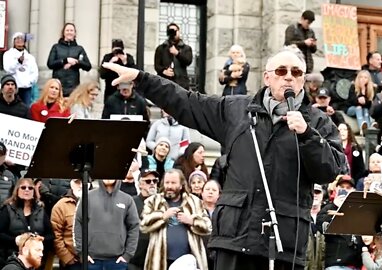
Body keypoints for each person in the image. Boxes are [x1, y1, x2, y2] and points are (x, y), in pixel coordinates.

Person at [102, 49, 345, 270]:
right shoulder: (236, 110)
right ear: (268, 78)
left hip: (284, 244)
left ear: (303, 79)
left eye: (296, 72)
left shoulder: (317, 123)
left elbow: (332, 169)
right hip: (234, 238)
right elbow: (186, 102)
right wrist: (141, 78)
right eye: (281, 71)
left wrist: (307, 135)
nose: (289, 77)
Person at [140, 169, 211, 270]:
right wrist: (162, 216)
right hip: (160, 262)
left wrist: (192, 221)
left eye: (173, 183)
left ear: (181, 185)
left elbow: (208, 227)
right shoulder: (153, 201)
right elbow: (143, 225)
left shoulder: (195, 202)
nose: (169, 186)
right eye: (167, 182)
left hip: (189, 262)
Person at [74, 180, 139, 270]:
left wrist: (127, 255)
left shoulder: (127, 199)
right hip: (92, 260)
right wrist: (82, 253)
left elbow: (134, 227)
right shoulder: (87, 197)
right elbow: (78, 224)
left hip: (117, 261)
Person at [0, 178, 53, 269]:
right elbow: (0, 234)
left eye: (30, 188)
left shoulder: (41, 209)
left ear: (34, 191)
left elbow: (51, 235)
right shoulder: (7, 209)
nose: (27, 190)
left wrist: (39, 239)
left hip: (35, 260)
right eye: (23, 187)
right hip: (12, 258)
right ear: (17, 190)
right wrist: (15, 240)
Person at [317, 175, 362, 269]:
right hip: (336, 264)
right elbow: (321, 225)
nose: (345, 190)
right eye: (342, 187)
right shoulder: (329, 207)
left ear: (353, 190)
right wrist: (336, 206)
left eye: (348, 188)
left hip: (356, 263)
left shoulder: (359, 210)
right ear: (336, 189)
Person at [47, 23, 92, 97]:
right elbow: (50, 64)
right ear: (63, 33)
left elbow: (88, 66)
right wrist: (65, 60)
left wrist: (76, 62)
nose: (69, 32)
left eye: (71, 30)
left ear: (74, 33)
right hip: (58, 85)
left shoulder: (79, 49)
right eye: (67, 30)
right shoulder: (56, 47)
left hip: (73, 86)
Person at [128, 169, 159, 270]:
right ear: (140, 184)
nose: (152, 184)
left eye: (155, 181)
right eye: (148, 181)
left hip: (156, 257)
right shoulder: (131, 202)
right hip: (135, 259)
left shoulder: (161, 203)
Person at [50, 179, 82, 270]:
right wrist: (68, 258)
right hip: (72, 261)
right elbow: (56, 235)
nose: (81, 185)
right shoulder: (61, 206)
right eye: (77, 182)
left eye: (85, 181)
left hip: (93, 260)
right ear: (71, 184)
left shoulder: (94, 203)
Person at [3, 32, 38, 107]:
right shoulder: (8, 54)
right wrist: (18, 62)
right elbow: (8, 69)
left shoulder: (30, 57)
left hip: (26, 89)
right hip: (13, 89)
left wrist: (28, 82)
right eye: (17, 38)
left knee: (25, 109)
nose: (19, 40)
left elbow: (34, 73)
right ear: (13, 41)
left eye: (21, 38)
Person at [154, 23, 192, 90]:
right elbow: (157, 65)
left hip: (181, 84)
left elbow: (188, 61)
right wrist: (163, 71)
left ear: (179, 31)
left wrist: (177, 53)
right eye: (171, 31)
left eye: (175, 30)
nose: (173, 33)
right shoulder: (161, 48)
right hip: (165, 83)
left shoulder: (186, 48)